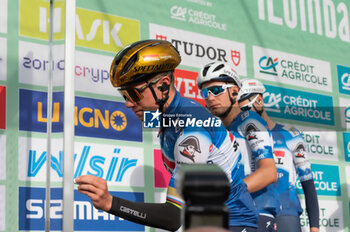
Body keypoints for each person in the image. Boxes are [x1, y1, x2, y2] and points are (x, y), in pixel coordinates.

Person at [76, 39, 258, 232]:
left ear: (163, 86)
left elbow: (172, 217)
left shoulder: (191, 127)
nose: (128, 104)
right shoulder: (168, 115)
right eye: (124, 96)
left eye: (133, 94)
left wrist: (110, 203)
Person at [197, 62, 279, 232]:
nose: (210, 97)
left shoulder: (250, 121)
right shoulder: (218, 132)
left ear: (234, 91)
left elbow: (269, 172)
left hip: (257, 213)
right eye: (206, 92)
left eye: (217, 90)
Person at [237, 79, 320, 232]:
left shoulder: (290, 134)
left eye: (247, 109)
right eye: (241, 111)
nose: (244, 116)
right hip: (255, 212)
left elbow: (308, 183)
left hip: (286, 215)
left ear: (259, 101)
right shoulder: (240, 136)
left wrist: (314, 227)